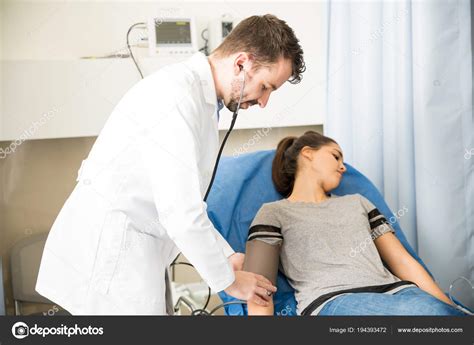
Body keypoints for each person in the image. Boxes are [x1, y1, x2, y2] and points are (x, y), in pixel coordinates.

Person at [35, 14, 306, 315]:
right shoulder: (176, 96)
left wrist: (227, 256)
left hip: (137, 252)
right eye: (266, 87)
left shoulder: (199, 100)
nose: (264, 101)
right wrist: (230, 281)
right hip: (113, 257)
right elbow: (181, 212)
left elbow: (187, 204)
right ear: (241, 63)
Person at [243, 131, 469, 316]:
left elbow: (402, 262)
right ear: (308, 154)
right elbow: (259, 291)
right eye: (335, 156)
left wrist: (451, 307)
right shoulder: (273, 213)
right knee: (429, 314)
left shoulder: (358, 203)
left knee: (443, 314)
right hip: (333, 301)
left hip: (402, 293)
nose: (343, 167)